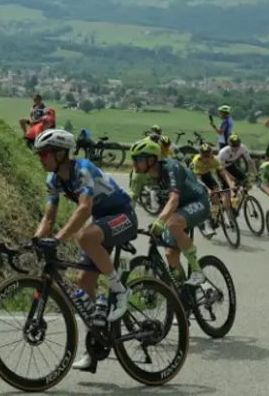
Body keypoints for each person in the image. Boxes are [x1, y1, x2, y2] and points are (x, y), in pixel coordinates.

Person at [30, 128, 136, 372]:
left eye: (44, 153)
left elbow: (85, 209)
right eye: (39, 154)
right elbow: (48, 217)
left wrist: (57, 238)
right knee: (83, 281)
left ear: (60, 154)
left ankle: (120, 290)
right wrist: (35, 240)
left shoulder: (83, 169)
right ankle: (93, 348)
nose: (40, 158)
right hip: (102, 224)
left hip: (123, 216)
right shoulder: (54, 181)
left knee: (84, 236)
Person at [130, 137, 211, 286]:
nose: (134, 163)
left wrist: (160, 221)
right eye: (133, 159)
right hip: (175, 210)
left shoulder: (171, 167)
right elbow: (131, 200)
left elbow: (173, 199)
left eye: (138, 159)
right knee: (170, 254)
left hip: (197, 201)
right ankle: (182, 293)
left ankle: (198, 272)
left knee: (173, 223)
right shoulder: (139, 174)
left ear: (152, 159)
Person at [190, 143, 235, 231]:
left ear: (211, 154)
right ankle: (206, 221)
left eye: (208, 155)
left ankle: (214, 215)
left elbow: (223, 174)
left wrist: (231, 185)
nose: (207, 158)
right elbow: (198, 180)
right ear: (200, 154)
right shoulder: (197, 160)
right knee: (205, 194)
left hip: (206, 174)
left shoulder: (214, 160)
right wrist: (207, 189)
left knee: (216, 193)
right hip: (195, 176)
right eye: (204, 156)